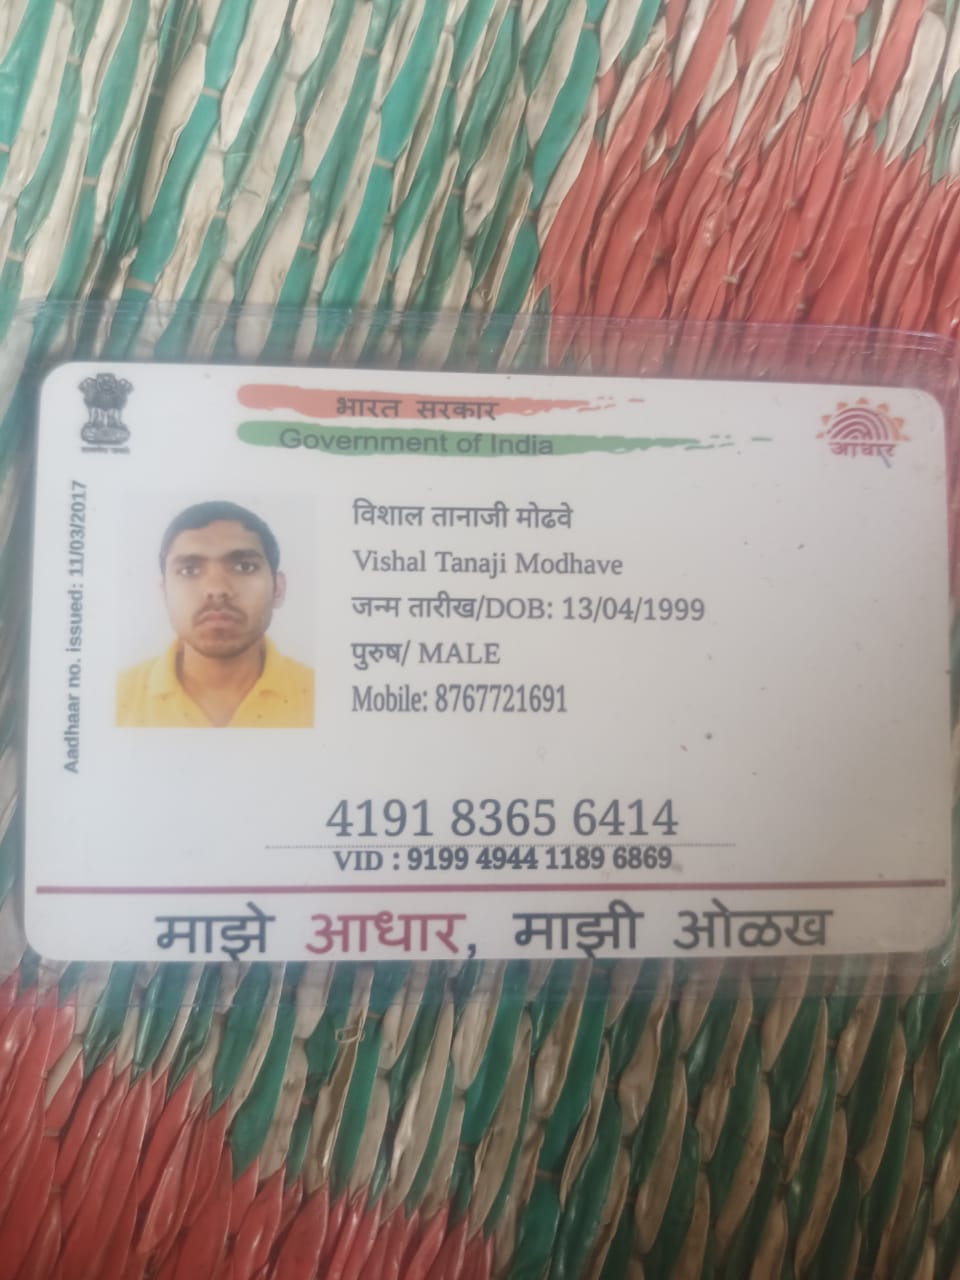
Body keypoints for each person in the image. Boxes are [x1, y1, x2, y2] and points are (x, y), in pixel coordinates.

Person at [116, 501, 314, 727]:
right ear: (165, 593)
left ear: (278, 588)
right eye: (189, 570)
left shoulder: (321, 696)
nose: (217, 589)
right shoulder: (116, 700)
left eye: (244, 567)